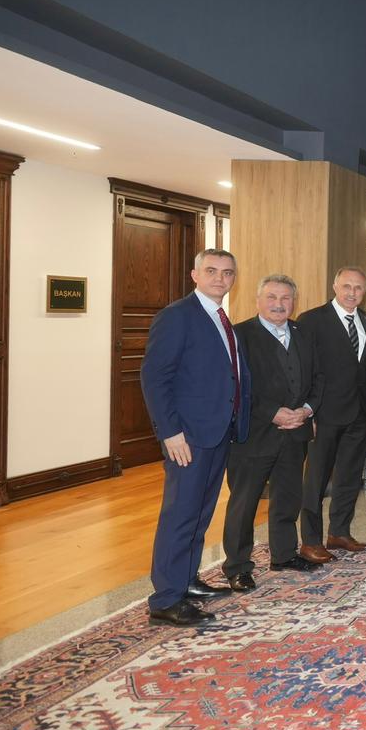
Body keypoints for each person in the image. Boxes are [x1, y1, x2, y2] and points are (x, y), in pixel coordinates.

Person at [139, 248, 251, 627]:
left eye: (227, 272)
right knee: (180, 514)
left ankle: (186, 580)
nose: (220, 278)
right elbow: (155, 378)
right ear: (195, 275)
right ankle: (166, 598)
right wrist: (170, 432)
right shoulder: (177, 316)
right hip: (187, 436)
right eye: (212, 271)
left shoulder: (220, 318)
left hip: (217, 431)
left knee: (201, 513)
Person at [223, 274, 324, 587]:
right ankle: (238, 566)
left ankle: (284, 555)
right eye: (271, 297)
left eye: (285, 298)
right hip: (254, 435)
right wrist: (272, 413)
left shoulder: (304, 334)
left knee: (288, 497)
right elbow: (234, 386)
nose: (279, 304)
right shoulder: (239, 335)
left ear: (294, 302)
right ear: (258, 300)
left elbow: (318, 378)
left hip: (296, 433)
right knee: (244, 503)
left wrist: (307, 409)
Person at [296, 266, 366, 555]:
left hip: (358, 413)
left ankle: (339, 533)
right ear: (335, 286)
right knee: (316, 480)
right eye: (347, 286)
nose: (352, 293)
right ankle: (311, 540)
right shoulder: (312, 320)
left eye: (358, 288)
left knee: (349, 478)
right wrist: (309, 412)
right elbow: (304, 369)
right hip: (324, 414)